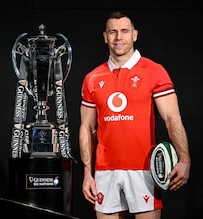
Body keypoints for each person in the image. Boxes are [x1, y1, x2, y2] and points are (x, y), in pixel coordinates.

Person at [79, 11, 191, 219]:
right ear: (105, 37)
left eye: (124, 31)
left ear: (134, 35)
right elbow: (87, 127)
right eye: (112, 32)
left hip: (144, 169)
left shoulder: (154, 71)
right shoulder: (92, 78)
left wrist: (184, 159)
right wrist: (88, 173)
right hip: (105, 171)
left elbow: (172, 119)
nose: (118, 37)